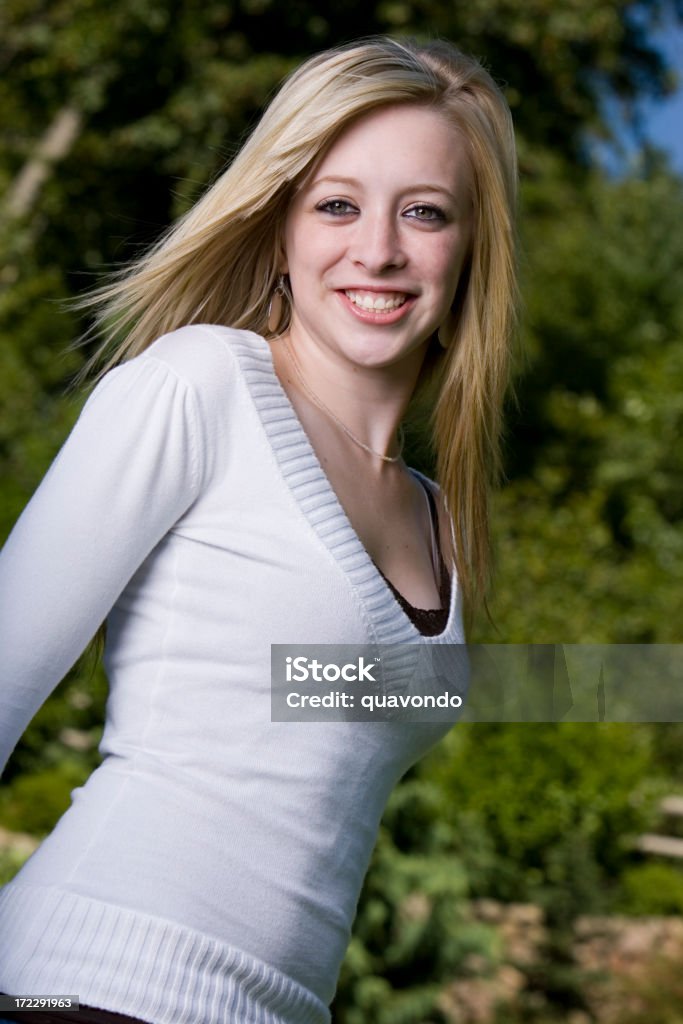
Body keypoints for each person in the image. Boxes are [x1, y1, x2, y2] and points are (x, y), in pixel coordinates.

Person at [0, 35, 517, 1024]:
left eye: (424, 212)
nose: (376, 249)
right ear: (279, 221)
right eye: (336, 203)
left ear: (472, 248)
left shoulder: (437, 517)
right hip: (86, 983)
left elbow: (284, 708)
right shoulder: (198, 385)